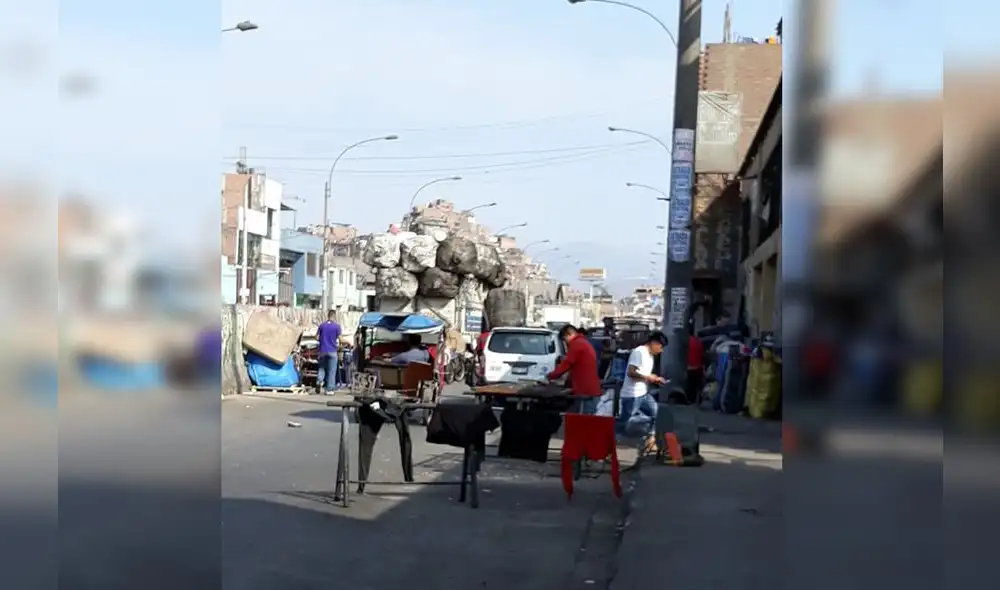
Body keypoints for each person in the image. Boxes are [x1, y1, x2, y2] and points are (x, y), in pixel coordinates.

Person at [619, 331, 668, 452]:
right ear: (654, 343)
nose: (661, 351)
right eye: (660, 347)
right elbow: (631, 372)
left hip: (643, 393)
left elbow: (644, 372)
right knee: (626, 422)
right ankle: (610, 438)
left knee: (657, 413)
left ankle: (650, 440)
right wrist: (648, 378)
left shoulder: (650, 356)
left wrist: (655, 378)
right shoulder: (639, 352)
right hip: (632, 394)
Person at [546, 324, 602, 414]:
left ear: (569, 335)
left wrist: (550, 376)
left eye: (565, 339)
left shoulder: (577, 344)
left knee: (583, 421)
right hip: (589, 389)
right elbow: (575, 367)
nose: (565, 343)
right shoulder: (584, 342)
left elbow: (567, 364)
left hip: (585, 391)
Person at [316, 311, 343, 395]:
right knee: (332, 370)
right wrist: (347, 343)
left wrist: (322, 341)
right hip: (332, 351)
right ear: (334, 316)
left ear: (328, 316)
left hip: (322, 351)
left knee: (322, 368)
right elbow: (341, 339)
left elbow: (316, 337)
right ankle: (329, 389)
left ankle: (319, 381)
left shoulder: (322, 326)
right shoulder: (337, 327)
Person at [686, 325, 705, 405]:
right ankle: (695, 400)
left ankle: (689, 400)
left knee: (689, 386)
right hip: (698, 368)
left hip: (688, 368)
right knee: (696, 386)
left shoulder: (685, 341)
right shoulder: (698, 341)